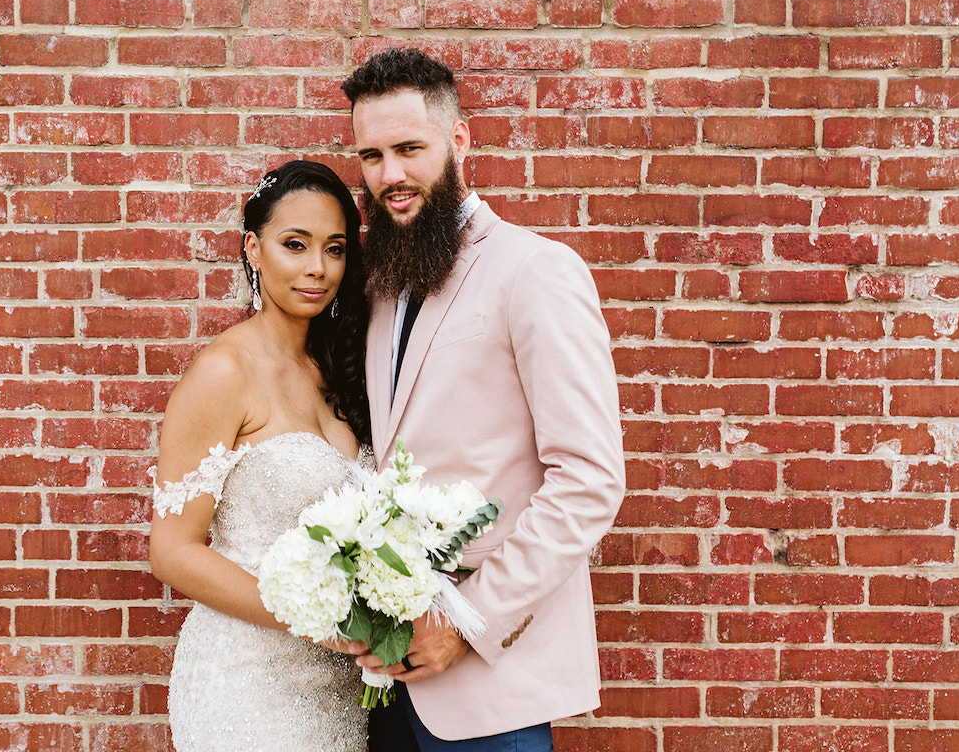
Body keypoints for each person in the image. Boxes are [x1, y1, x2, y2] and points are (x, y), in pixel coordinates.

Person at [342, 48, 626, 750]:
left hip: (493, 683)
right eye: (372, 156)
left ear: (459, 140)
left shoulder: (536, 270)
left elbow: (589, 482)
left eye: (410, 148)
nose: (391, 176)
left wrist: (467, 621)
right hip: (391, 685)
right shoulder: (382, 289)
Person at [149, 160, 373, 751]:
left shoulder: (337, 371)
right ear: (254, 248)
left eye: (335, 249)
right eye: (294, 245)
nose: (317, 269)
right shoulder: (224, 372)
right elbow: (172, 553)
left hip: (335, 689)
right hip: (246, 685)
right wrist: (317, 620)